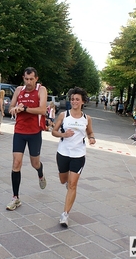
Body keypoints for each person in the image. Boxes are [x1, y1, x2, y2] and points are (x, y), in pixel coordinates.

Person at [52, 87, 96, 227]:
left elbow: (90, 133)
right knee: (63, 180)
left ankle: (65, 214)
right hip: (63, 153)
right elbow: (54, 131)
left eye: (77, 99)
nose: (74, 101)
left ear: (82, 101)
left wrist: (92, 138)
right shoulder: (64, 115)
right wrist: (63, 135)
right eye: (72, 99)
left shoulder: (86, 118)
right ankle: (67, 183)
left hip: (78, 155)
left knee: (73, 184)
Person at [6, 67, 47, 211]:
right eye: (26, 79)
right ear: (23, 78)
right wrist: (14, 108)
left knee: (34, 163)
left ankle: (40, 173)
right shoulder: (18, 90)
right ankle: (15, 197)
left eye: (31, 79)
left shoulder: (41, 90)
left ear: (36, 78)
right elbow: (11, 107)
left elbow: (42, 110)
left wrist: (24, 108)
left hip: (34, 132)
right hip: (19, 131)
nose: (28, 82)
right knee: (16, 163)